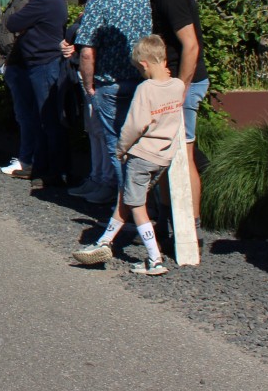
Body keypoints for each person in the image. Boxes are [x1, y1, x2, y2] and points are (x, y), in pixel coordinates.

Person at [73, 35, 185, 276]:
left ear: (144, 64)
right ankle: (105, 240)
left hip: (141, 155)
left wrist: (121, 149)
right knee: (127, 195)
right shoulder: (177, 86)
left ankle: (154, 258)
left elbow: (134, 125)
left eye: (140, 69)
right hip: (163, 157)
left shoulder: (145, 89)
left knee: (136, 205)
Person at [121, 0, 210, 219]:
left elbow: (190, 44)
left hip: (184, 83)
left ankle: (191, 227)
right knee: (163, 154)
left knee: (183, 154)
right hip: (174, 82)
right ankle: (166, 218)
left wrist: (179, 88)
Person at [69, 0, 152, 206]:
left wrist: (88, 85)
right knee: (142, 143)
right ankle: (145, 204)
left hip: (110, 83)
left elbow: (87, 50)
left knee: (118, 145)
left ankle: (129, 206)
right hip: (143, 79)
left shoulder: (100, 0)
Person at [5, 0, 70, 187]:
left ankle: (54, 171)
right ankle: (44, 167)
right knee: (44, 118)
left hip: (43, 64)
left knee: (48, 119)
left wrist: (24, 24)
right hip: (42, 63)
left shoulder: (43, 1)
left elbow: (12, 22)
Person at [0, 0, 37, 177]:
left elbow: (19, 31)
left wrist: (8, 57)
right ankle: (27, 156)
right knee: (24, 114)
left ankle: (27, 159)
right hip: (15, 61)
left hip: (19, 62)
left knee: (26, 114)